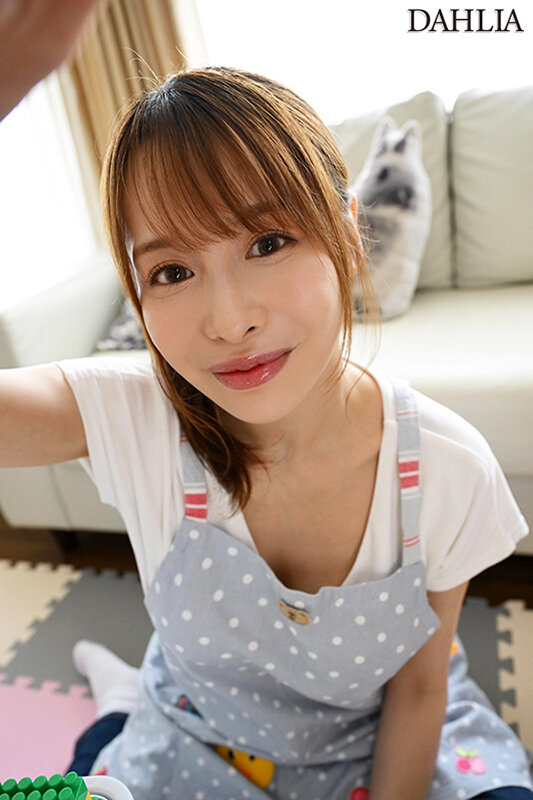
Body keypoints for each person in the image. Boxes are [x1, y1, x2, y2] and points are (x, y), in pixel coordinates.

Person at [1, 66, 532, 800]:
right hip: (197, 737)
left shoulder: (447, 469)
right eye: (173, 271)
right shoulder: (137, 419)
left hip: (377, 742)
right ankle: (123, 709)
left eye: (268, 241)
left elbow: (417, 690)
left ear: (347, 235)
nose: (229, 322)